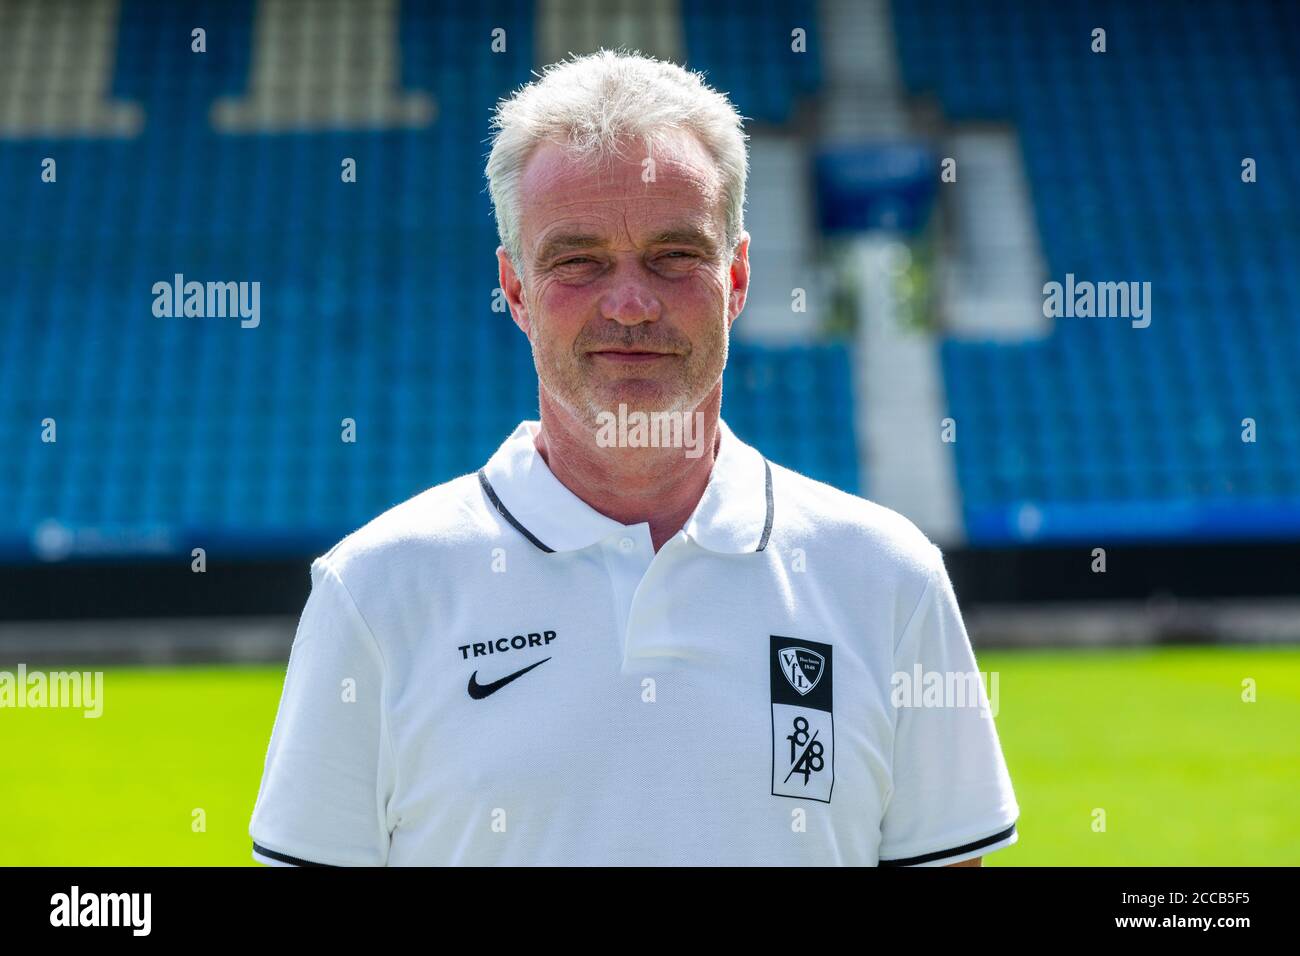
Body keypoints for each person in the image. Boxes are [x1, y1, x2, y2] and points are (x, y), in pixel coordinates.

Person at [249, 49, 1018, 866]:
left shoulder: (887, 578)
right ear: (515, 291)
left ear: (738, 278)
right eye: (577, 261)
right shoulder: (373, 592)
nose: (629, 303)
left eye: (674, 255)